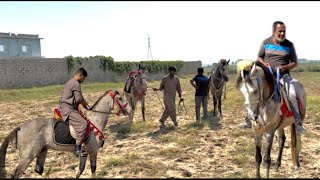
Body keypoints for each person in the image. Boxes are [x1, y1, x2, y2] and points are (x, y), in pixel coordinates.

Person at [256, 21, 306, 134]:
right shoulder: (265, 43)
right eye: (280, 31)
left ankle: (298, 122)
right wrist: (264, 63)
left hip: (284, 76)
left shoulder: (289, 45)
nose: (282, 33)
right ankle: (249, 120)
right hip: (267, 76)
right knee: (253, 91)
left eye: (284, 31)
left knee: (292, 94)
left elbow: (294, 62)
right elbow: (259, 57)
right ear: (274, 32)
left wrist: (284, 67)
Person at [59, 68, 90, 157]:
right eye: (83, 78)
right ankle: (77, 148)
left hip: (68, 107)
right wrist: (85, 104)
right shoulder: (76, 83)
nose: (83, 81)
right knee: (83, 123)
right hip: (68, 109)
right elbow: (79, 99)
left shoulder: (70, 82)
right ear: (79, 75)